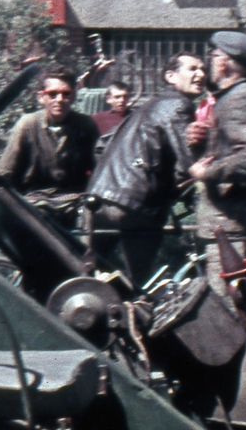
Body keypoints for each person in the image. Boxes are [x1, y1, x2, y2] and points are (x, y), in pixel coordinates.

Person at [86, 54, 206, 285]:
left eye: (202, 69)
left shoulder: (150, 105)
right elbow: (188, 162)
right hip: (134, 204)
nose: (200, 74)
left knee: (93, 275)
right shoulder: (177, 104)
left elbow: (101, 146)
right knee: (140, 282)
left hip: (100, 199)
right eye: (192, 69)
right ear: (170, 76)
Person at [189, 31, 246, 260]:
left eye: (212, 57)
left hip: (234, 223)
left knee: (226, 295)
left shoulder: (238, 99)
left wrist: (207, 172)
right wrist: (201, 143)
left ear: (222, 63)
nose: (207, 64)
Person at [0, 68, 99, 201]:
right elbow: (5, 172)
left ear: (73, 97)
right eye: (52, 94)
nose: (59, 99)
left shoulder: (85, 125)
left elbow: (98, 168)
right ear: (41, 97)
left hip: (74, 200)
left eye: (66, 94)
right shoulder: (27, 124)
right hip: (34, 200)